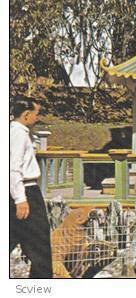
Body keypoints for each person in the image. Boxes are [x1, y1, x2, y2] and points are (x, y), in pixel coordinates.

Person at [9, 96, 53, 278]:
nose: (37, 117)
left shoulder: (17, 132)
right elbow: (13, 167)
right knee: (40, 242)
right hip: (26, 191)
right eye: (36, 114)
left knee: (13, 236)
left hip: (22, 190)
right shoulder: (18, 134)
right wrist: (21, 199)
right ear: (26, 115)